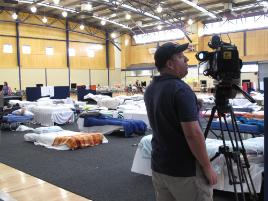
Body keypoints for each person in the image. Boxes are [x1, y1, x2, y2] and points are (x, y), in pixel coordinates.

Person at [144, 42, 217, 201]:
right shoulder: (181, 89)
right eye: (180, 57)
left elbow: (167, 115)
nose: (187, 60)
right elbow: (192, 134)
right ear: (170, 64)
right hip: (184, 171)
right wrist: (207, 166)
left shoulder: (151, 89)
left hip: (160, 166)